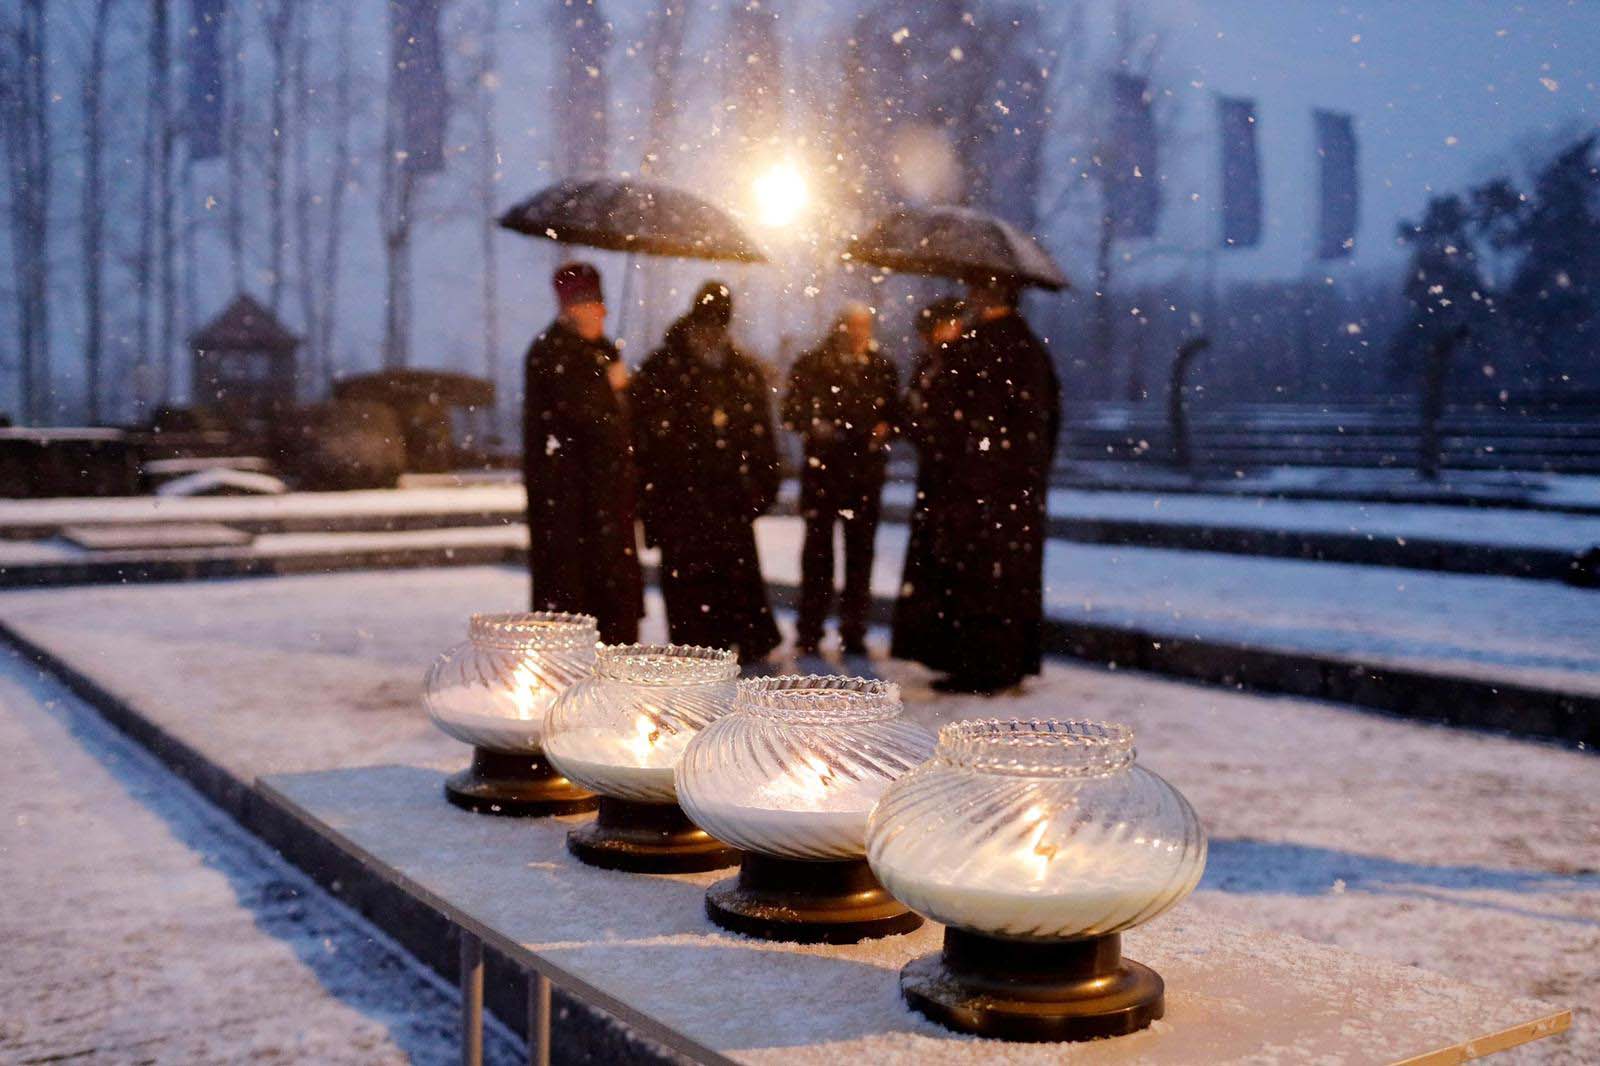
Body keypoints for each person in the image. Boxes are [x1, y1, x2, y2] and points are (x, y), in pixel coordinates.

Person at [898, 280, 1060, 693]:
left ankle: (979, 664)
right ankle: (1009, 660)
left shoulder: (980, 348)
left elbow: (955, 415)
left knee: (977, 575)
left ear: (985, 297)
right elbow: (1045, 421)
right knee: (1010, 576)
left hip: (977, 485)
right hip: (1017, 486)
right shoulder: (1031, 349)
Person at [630, 281, 782, 664]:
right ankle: (697, 662)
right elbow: (642, 440)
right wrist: (649, 500)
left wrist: (760, 489)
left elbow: (761, 438)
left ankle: (739, 646)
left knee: (735, 588)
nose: (711, 335)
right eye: (706, 326)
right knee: (690, 614)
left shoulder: (741, 372)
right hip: (679, 502)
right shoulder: (662, 370)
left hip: (729, 501)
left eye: (719, 327)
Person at [522, 261, 644, 644]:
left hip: (608, 496)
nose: (600, 315)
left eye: (602, 306)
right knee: (572, 597)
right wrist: (610, 392)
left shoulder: (604, 351)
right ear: (571, 308)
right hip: (568, 498)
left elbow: (623, 420)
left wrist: (625, 390)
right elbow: (581, 418)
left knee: (614, 601)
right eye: (592, 306)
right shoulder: (550, 352)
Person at [781, 302, 901, 656]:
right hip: (829, 472)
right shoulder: (816, 365)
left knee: (857, 557)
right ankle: (813, 630)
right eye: (852, 326)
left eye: (863, 326)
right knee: (820, 556)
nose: (857, 334)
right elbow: (793, 411)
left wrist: (885, 428)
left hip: (857, 474)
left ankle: (849, 630)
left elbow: (896, 414)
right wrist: (816, 427)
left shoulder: (879, 367)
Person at [890, 296, 965, 664]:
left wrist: (928, 419)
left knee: (942, 551)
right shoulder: (927, 364)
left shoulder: (958, 364)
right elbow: (910, 416)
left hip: (950, 473)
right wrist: (915, 417)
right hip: (933, 469)